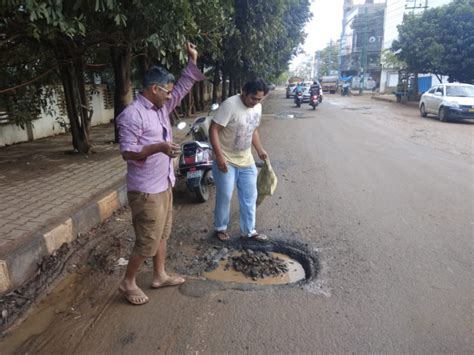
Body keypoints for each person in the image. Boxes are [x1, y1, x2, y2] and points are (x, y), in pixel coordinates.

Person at [116, 42, 206, 305]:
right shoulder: (132, 115)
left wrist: (193, 61)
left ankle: (159, 275)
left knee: (163, 234)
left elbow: (181, 87)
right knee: (147, 240)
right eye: (165, 92)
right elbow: (128, 152)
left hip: (164, 183)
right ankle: (127, 282)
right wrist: (160, 147)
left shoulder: (161, 107)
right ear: (154, 89)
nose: (170, 96)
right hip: (145, 191)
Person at [209, 78, 270, 243]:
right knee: (225, 195)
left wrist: (260, 150)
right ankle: (220, 228)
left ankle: (249, 231)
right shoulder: (230, 105)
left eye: (259, 99)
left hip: (246, 159)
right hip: (226, 159)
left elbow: (253, 129)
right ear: (244, 92)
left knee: (250, 195)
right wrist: (219, 156)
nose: (255, 102)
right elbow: (213, 129)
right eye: (253, 98)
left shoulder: (257, 107)